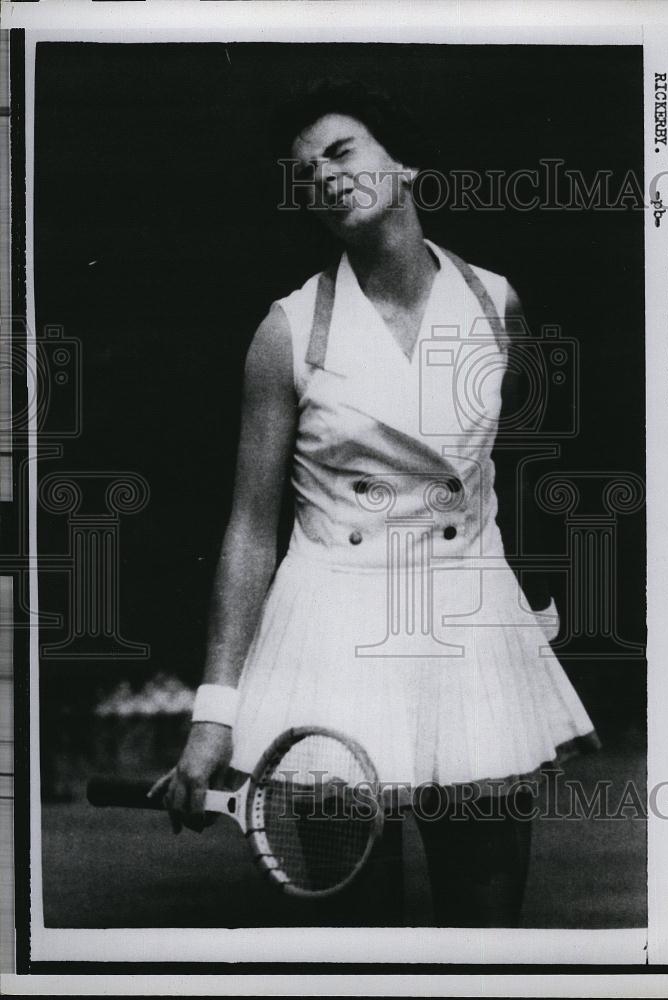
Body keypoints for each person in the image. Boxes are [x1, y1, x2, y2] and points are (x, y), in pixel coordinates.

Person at [156, 80, 599, 927]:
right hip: (331, 630)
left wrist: (531, 613)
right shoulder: (284, 332)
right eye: (304, 170)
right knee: (353, 928)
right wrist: (214, 714)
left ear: (405, 165)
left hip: (467, 621)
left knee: (487, 914)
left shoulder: (498, 304)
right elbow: (251, 529)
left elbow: (525, 467)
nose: (321, 175)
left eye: (339, 150)